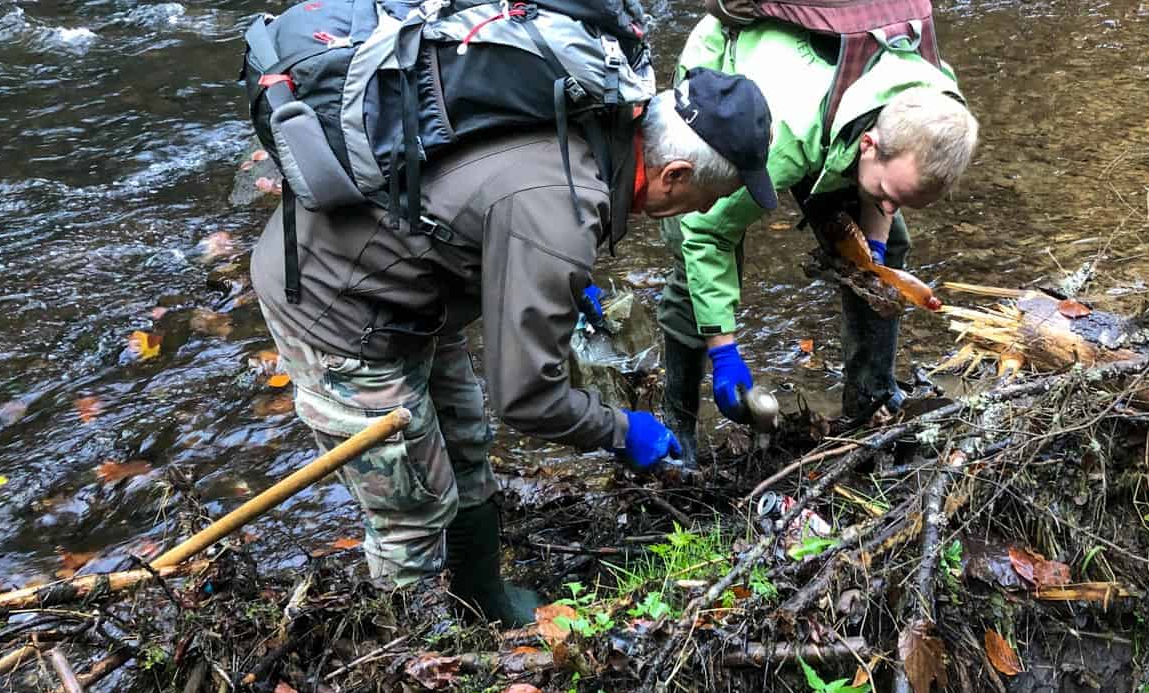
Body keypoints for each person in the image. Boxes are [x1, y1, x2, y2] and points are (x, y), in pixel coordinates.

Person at [250, 69, 775, 624]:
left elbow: (492, 203)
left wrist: (559, 281)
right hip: (334, 305)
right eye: (707, 199)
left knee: (465, 437)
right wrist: (623, 432)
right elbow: (526, 396)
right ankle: (421, 652)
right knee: (413, 506)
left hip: (408, 285)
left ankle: (482, 597)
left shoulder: (604, 120)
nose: (698, 213)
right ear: (676, 173)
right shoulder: (561, 214)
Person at [658, 15, 978, 464]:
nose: (890, 207)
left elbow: (890, 194)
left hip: (834, 122)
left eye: (902, 199)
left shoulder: (935, 102)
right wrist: (724, 350)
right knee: (696, 278)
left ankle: (871, 396)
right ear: (868, 144)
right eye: (887, 195)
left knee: (887, 255)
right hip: (736, 85)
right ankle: (679, 428)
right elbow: (706, 233)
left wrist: (875, 257)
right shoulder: (785, 141)